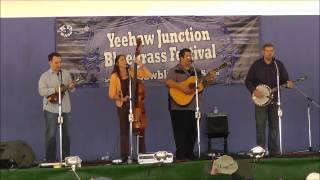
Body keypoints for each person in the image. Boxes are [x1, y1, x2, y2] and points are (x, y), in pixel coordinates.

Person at [165, 48, 215, 161]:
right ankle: (181, 155)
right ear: (181, 58)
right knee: (180, 131)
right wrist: (181, 87)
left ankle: (189, 153)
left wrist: (209, 79)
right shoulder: (175, 70)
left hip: (194, 106)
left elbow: (201, 85)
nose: (189, 58)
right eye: (187, 56)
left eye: (190, 55)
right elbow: (168, 82)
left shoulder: (196, 71)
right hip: (178, 106)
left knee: (192, 131)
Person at [245, 43, 293, 156]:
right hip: (260, 101)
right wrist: (254, 91)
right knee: (260, 126)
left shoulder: (278, 65)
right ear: (263, 52)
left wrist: (289, 84)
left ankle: (273, 152)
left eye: (271, 50)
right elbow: (248, 81)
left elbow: (285, 81)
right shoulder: (256, 65)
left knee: (274, 126)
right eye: (267, 51)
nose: (269, 53)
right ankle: (261, 152)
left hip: (274, 100)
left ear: (274, 52)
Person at [109, 54, 151, 162]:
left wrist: (141, 65)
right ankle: (125, 156)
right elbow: (111, 94)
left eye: (125, 59)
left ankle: (142, 155)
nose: (124, 61)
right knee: (124, 131)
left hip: (136, 105)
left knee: (140, 130)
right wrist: (122, 99)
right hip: (123, 106)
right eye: (122, 60)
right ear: (117, 63)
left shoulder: (132, 71)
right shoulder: (114, 76)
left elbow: (148, 75)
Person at [38, 52, 75, 162]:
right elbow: (41, 91)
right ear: (50, 62)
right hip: (51, 109)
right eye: (56, 62)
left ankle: (66, 160)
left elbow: (71, 89)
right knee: (51, 136)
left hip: (65, 108)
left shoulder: (66, 73)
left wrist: (72, 87)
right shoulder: (44, 76)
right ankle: (50, 161)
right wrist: (55, 89)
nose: (59, 64)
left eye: (60, 62)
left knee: (66, 136)